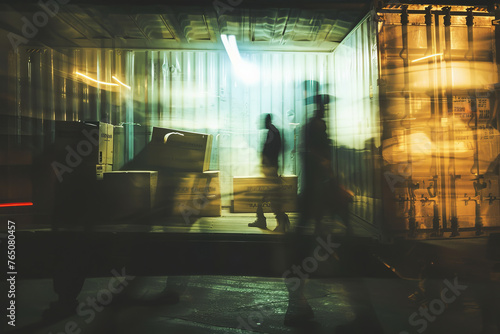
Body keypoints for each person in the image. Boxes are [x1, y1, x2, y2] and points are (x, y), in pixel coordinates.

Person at [248, 114, 290, 233]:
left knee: (271, 196)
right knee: (267, 195)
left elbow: (270, 151)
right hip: (271, 168)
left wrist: (266, 164)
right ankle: (268, 218)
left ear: (267, 121)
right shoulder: (273, 132)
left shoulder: (272, 133)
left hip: (270, 169)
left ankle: (279, 220)